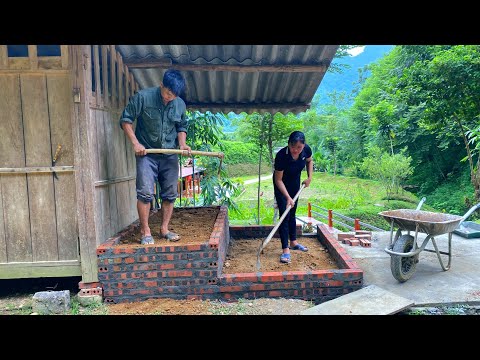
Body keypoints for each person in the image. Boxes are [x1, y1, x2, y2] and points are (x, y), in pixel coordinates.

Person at [119, 69, 191, 244]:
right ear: (161, 86)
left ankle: (164, 228)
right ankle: (145, 231)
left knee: (170, 194)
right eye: (167, 93)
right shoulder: (143, 97)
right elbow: (125, 120)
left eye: (173, 95)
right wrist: (136, 144)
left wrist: (182, 144)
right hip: (147, 154)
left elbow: (181, 126)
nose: (169, 97)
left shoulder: (179, 104)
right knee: (144, 192)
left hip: (169, 154)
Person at [273, 131, 313, 263]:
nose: (295, 150)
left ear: (303, 146)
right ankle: (285, 250)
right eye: (293, 147)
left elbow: (309, 161)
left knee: (293, 212)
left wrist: (309, 178)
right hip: (281, 185)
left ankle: (294, 242)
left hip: (295, 183)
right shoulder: (281, 156)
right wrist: (287, 197)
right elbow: (278, 180)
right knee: (285, 214)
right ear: (288, 144)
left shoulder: (306, 150)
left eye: (299, 148)